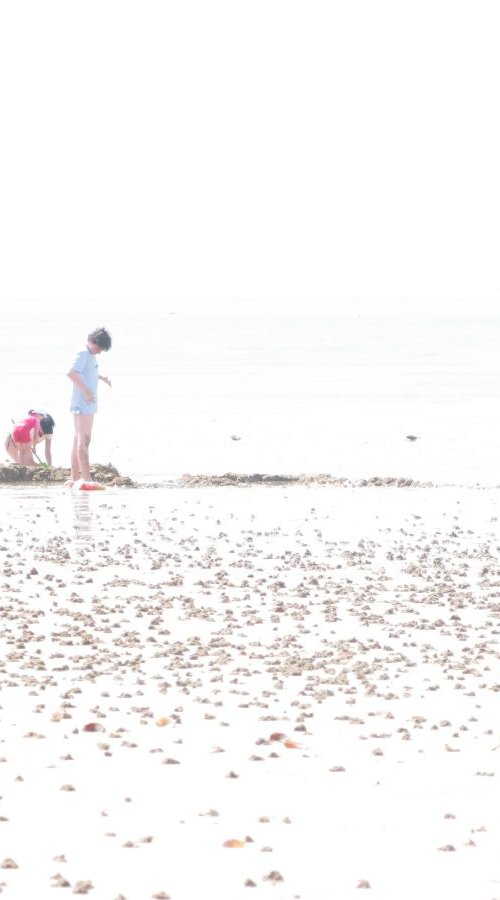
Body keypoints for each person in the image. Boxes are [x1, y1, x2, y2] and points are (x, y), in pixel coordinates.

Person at [67, 326, 112, 483]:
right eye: (100, 347)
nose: (100, 351)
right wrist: (86, 391)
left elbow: (85, 372)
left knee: (79, 438)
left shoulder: (89, 355)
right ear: (93, 341)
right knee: (84, 439)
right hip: (83, 403)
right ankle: (86, 479)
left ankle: (74, 478)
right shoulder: (83, 353)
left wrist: (100, 377)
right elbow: (72, 372)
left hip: (85, 404)